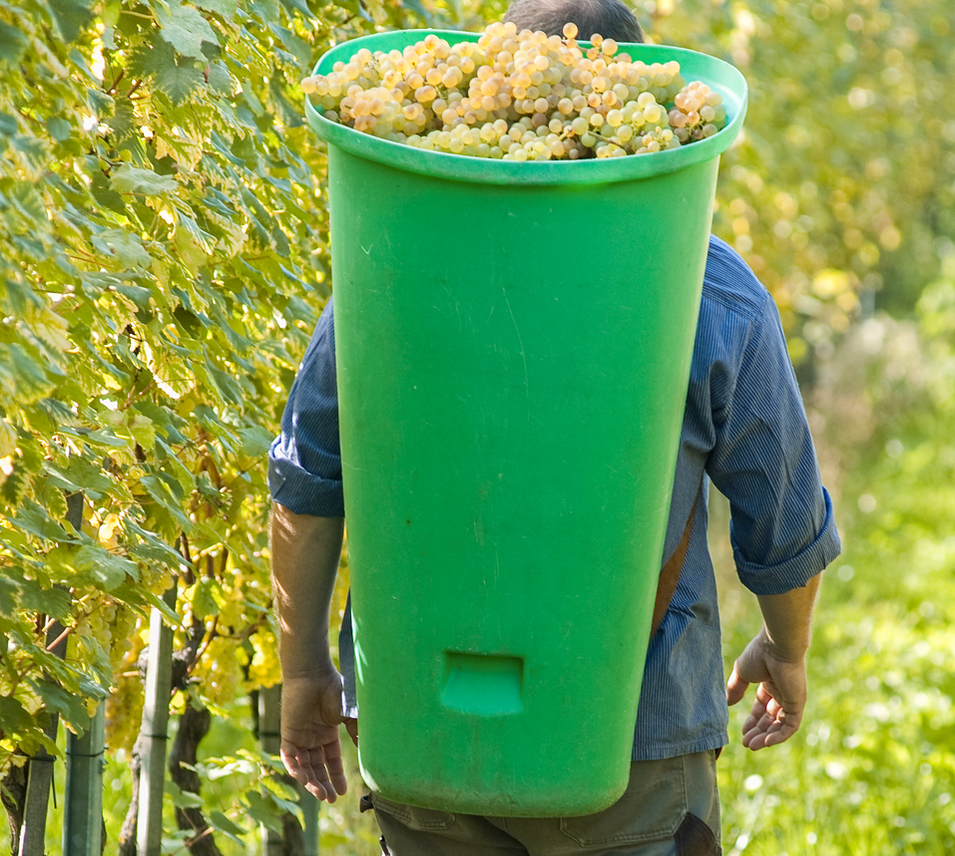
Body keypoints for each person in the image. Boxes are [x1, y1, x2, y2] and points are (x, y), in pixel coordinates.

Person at [268, 2, 842, 853]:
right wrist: (784, 652)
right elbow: (781, 517)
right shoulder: (711, 290)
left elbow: (307, 484)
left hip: (424, 737)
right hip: (631, 746)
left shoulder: (387, 256)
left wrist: (305, 669)